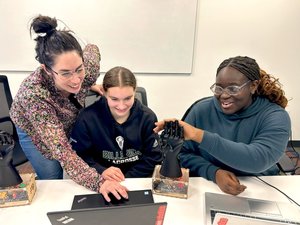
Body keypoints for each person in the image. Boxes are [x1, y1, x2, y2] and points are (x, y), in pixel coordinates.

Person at [9, 15, 128, 201]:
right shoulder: (33, 96)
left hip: (68, 114)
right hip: (34, 128)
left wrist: (89, 83)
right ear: (47, 70)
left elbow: (92, 48)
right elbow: (61, 151)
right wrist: (99, 183)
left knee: (78, 164)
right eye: (65, 73)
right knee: (53, 179)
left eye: (78, 69)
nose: (75, 80)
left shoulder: (88, 66)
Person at [154, 56, 291, 196]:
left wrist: (199, 135)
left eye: (233, 88)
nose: (224, 95)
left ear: (253, 86)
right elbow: (183, 154)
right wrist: (213, 172)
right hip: (209, 186)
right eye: (219, 88)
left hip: (260, 187)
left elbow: (258, 159)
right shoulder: (201, 110)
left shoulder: (275, 116)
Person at [70, 66, 162, 182]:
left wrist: (127, 179)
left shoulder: (147, 117)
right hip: (100, 181)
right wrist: (100, 171)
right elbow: (78, 156)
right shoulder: (87, 118)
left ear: (135, 91)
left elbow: (153, 157)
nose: (122, 106)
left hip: (137, 181)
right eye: (114, 99)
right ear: (104, 93)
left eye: (128, 98)